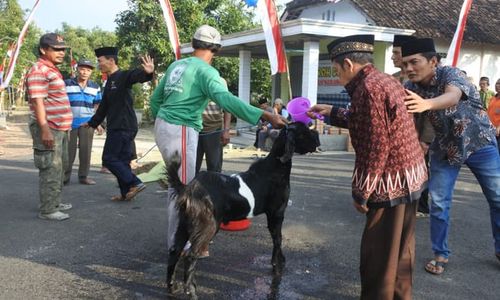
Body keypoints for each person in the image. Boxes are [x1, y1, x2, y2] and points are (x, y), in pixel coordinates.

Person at [149, 24, 286, 255]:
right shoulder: (206, 71)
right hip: (181, 128)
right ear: (216, 49)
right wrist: (266, 114)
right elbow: (226, 100)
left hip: (164, 126)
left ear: (194, 44)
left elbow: (155, 100)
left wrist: (164, 121)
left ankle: (183, 240)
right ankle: (180, 245)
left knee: (179, 185)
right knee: (183, 191)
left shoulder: (177, 65)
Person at [309, 35, 427, 299]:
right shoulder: (383, 79)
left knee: (379, 260)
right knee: (401, 255)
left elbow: (377, 144)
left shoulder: (368, 89)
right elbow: (367, 121)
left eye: (337, 70)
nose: (338, 76)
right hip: (412, 178)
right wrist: (329, 111)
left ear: (348, 64)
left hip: (391, 183)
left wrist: (362, 192)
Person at [402, 38, 500, 272]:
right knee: (438, 202)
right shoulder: (411, 87)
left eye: (414, 62)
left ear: (433, 61)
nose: (408, 69)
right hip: (445, 148)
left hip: (479, 144)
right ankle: (440, 253)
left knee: (498, 197)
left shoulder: (451, 74)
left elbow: (453, 96)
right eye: (405, 64)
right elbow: (412, 119)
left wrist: (427, 104)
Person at [83, 47, 154, 201]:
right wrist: (93, 122)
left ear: (111, 61)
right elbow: (104, 106)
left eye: (100, 61)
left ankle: (135, 182)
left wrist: (147, 73)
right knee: (122, 160)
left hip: (123, 126)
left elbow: (136, 75)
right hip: (119, 126)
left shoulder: (123, 76)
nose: (98, 64)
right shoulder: (109, 81)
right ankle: (126, 193)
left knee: (109, 159)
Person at [26, 33, 73, 221]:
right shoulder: (39, 70)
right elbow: (38, 102)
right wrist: (45, 129)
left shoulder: (51, 69)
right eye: (56, 49)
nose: (61, 53)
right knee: (50, 167)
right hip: (49, 127)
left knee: (60, 167)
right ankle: (48, 210)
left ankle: (54, 201)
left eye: (62, 49)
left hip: (58, 128)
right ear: (43, 50)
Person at [392, 35, 434, 217]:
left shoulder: (423, 79)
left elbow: (429, 114)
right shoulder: (398, 78)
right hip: (405, 134)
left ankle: (421, 206)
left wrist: (424, 140)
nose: (393, 57)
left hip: (420, 134)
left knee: (421, 169)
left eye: (396, 53)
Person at [64, 59, 103, 185]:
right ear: (77, 69)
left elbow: (97, 106)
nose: (85, 72)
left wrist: (97, 123)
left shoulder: (95, 86)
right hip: (70, 123)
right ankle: (64, 177)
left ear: (91, 72)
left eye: (88, 70)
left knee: (86, 150)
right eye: (82, 69)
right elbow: (61, 102)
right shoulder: (67, 84)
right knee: (68, 151)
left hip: (88, 123)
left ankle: (83, 176)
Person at [195, 91, 232, 173]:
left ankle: (214, 186)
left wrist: (226, 131)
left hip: (214, 130)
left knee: (214, 169)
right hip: (194, 129)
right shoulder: (193, 80)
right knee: (191, 167)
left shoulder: (221, 82)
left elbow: (227, 107)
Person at [487, 78, 500, 151]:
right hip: (491, 130)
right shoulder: (493, 98)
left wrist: (499, 127)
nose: (498, 85)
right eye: (497, 83)